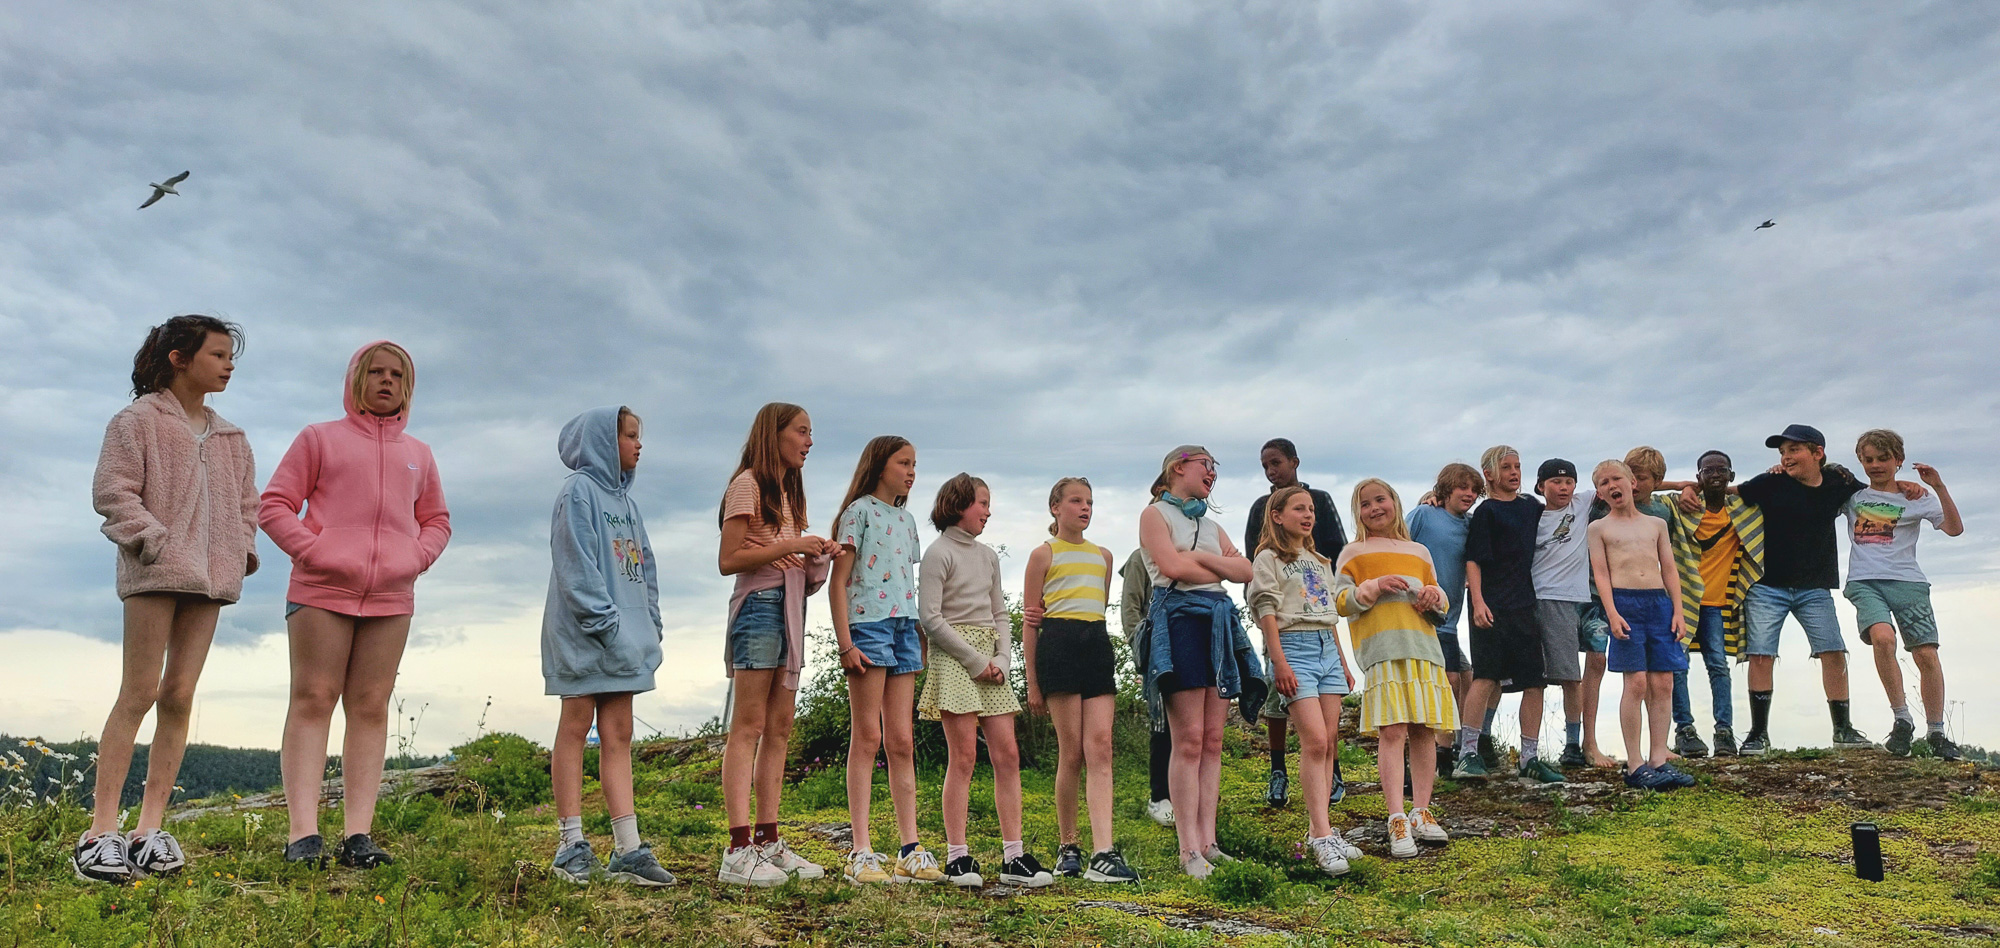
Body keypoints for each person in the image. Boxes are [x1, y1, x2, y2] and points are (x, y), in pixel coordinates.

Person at [78, 316, 258, 883]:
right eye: (218, 354)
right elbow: (113, 491)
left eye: (232, 356)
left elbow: (248, 504)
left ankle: (149, 831)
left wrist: (239, 550)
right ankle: (99, 834)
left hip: (210, 580)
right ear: (179, 358)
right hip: (155, 573)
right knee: (139, 691)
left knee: (178, 696)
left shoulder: (232, 437)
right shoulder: (136, 422)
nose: (229, 365)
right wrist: (153, 542)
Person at [261, 340, 451, 869]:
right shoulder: (319, 438)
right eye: (376, 373)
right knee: (314, 698)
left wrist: (414, 558)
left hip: (392, 597)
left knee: (370, 706)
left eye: (397, 375)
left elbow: (437, 520)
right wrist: (315, 551)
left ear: (408, 387)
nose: (386, 382)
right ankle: (303, 836)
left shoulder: (421, 454)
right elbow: (274, 505)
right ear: (355, 379)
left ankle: (358, 837)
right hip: (320, 592)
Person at [1728, 424, 1921, 754]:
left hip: (1815, 587)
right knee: (1761, 655)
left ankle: (1843, 731)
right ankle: (1758, 734)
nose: (1786, 457)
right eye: (1782, 453)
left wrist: (1904, 485)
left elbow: (1877, 494)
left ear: (1817, 453)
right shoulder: (1770, 483)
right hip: (1766, 586)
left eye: (1794, 450)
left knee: (1833, 652)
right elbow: (1723, 493)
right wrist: (1675, 488)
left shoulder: (1837, 483)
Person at [542, 407, 675, 886]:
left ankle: (628, 848)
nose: (639, 445)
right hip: (583, 637)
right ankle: (570, 845)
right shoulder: (577, 492)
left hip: (626, 644)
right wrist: (606, 625)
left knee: (619, 734)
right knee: (576, 726)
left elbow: (646, 568)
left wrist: (650, 625)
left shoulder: (629, 504)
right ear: (602, 440)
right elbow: (574, 562)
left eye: (640, 436)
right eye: (630, 435)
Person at [715, 402, 836, 886]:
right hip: (759, 608)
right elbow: (729, 559)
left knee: (780, 727)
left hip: (788, 608)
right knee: (748, 725)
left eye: (810, 433)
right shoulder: (747, 483)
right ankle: (738, 848)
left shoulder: (788, 493)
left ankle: (768, 841)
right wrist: (793, 545)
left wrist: (817, 555)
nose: (809, 441)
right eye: (802, 431)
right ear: (776, 434)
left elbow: (788, 564)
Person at [918, 474, 1054, 890]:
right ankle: (958, 857)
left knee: (1007, 754)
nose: (988, 511)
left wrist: (1002, 659)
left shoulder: (989, 556)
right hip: (956, 658)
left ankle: (1014, 856)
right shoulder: (937, 553)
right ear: (959, 504)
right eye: (981, 503)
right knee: (963, 758)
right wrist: (975, 661)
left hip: (991, 662)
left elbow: (1000, 613)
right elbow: (931, 617)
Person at [1139, 446, 1266, 878]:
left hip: (1217, 624)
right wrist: (1218, 567)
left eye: (1216, 467)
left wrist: (1199, 561)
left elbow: (1247, 571)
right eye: (1206, 465)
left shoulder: (1210, 524)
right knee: (1188, 739)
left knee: (1213, 740)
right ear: (1179, 468)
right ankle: (1187, 849)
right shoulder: (1156, 515)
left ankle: (1209, 842)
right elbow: (1171, 566)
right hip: (1179, 622)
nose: (1212, 473)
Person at [827, 436, 942, 885]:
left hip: (903, 629)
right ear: (880, 465)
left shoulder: (909, 520)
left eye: (915, 464)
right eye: (904, 462)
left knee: (901, 739)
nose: (912, 471)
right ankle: (860, 850)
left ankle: (910, 847)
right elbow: (840, 583)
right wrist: (845, 643)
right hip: (867, 627)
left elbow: (903, 578)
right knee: (867, 735)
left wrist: (917, 632)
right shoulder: (857, 513)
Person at [1022, 478, 1138, 883]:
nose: (1084, 508)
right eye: (1075, 501)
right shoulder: (1042, 555)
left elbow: (1098, 607)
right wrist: (1032, 682)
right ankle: (1068, 845)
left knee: (1101, 747)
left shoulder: (1103, 556)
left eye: (1089, 502)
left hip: (1095, 645)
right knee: (1071, 751)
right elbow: (1030, 622)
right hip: (1058, 646)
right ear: (1055, 507)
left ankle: (1103, 852)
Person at [1333, 479, 1457, 859]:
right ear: (1358, 512)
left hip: (1424, 648)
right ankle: (1396, 817)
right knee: (1393, 730)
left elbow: (1440, 599)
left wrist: (1436, 597)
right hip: (1383, 650)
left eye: (1380, 500)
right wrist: (1371, 587)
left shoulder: (1418, 550)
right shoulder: (1352, 552)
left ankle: (1421, 810)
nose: (1375, 508)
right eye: (1365, 503)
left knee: (1424, 729)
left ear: (1395, 503)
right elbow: (1341, 601)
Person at [1252, 485, 1365, 875]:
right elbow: (1266, 609)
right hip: (1293, 647)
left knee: (1329, 742)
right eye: (1298, 508)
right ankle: (1319, 835)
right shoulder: (1267, 559)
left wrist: (1344, 663)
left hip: (1326, 649)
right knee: (1314, 740)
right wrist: (1278, 661)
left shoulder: (1320, 560)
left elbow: (1328, 614)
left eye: (1311, 509)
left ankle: (1326, 829)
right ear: (1277, 515)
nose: (1308, 514)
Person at [1842, 430, 1964, 759]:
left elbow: (1954, 528)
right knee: (1883, 639)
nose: (1876, 465)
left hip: (1909, 583)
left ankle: (1937, 732)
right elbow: (1816, 486)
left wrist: (1937, 486)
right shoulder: (1853, 496)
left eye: (1883, 459)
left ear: (1898, 460)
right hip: (1865, 581)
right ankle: (1902, 719)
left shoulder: (1916, 497)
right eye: (1868, 460)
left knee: (1925, 655)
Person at [1242, 438, 1350, 808]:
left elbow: (1338, 547)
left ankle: (1331, 773)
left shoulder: (1319, 501)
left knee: (1325, 731)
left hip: (1318, 615)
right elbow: (1251, 562)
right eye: (1265, 465)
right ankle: (1278, 770)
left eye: (1276, 463)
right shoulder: (1261, 509)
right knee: (1279, 695)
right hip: (1282, 625)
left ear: (1294, 461)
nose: (1272, 470)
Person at [1454, 446, 1564, 783]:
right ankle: (1467, 753)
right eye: (1506, 467)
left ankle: (1529, 758)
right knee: (1486, 677)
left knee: (1534, 681)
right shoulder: (1486, 512)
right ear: (1489, 474)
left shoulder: (1531, 506)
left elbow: (1564, 505)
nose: (1514, 472)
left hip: (1525, 605)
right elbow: (1473, 559)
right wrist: (1478, 603)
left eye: (1517, 466)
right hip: (1491, 606)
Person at [1588, 461, 1694, 791]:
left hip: (1659, 603)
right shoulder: (1599, 528)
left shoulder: (1656, 524)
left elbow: (1670, 569)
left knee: (1663, 682)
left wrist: (1678, 610)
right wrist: (1612, 613)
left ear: (1632, 482)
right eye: (1603, 483)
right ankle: (1635, 763)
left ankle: (1658, 756)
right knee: (1635, 683)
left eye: (1616, 478)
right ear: (1600, 492)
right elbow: (1601, 574)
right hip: (1625, 604)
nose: (1611, 485)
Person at [1663, 451, 1763, 759]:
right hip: (1682, 601)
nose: (1715, 474)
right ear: (1699, 477)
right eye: (1708, 470)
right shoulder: (1683, 506)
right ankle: (1685, 731)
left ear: (1732, 476)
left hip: (1716, 604)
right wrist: (1682, 486)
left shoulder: (1745, 510)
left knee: (1718, 666)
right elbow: (1640, 482)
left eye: (1722, 470)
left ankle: (1724, 732)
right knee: (1678, 666)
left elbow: (1773, 487)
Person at [1406, 462, 1484, 765]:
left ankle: (1450, 748)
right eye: (1462, 488)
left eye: (1474, 490)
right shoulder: (1425, 514)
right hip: (1417, 612)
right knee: (1447, 679)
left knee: (1462, 678)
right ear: (1445, 489)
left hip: (1448, 618)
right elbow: (1399, 540)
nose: (1469, 494)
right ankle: (1436, 749)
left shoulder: (1471, 523)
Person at [1528, 459, 1597, 770]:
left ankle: (1572, 744)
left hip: (1566, 599)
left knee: (1571, 675)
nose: (1564, 487)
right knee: (1533, 678)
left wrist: (1679, 487)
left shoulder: (1582, 504)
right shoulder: (1530, 513)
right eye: (1556, 482)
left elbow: (1624, 482)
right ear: (1542, 486)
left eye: (1569, 481)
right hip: (1532, 597)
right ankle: (1517, 747)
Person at [1119, 540, 1175, 829]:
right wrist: (1141, 651)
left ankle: (1184, 795)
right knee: (1161, 725)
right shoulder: (1139, 558)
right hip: (1155, 650)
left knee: (1189, 729)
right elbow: (1129, 609)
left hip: (1186, 648)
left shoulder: (1186, 554)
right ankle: (1159, 796)